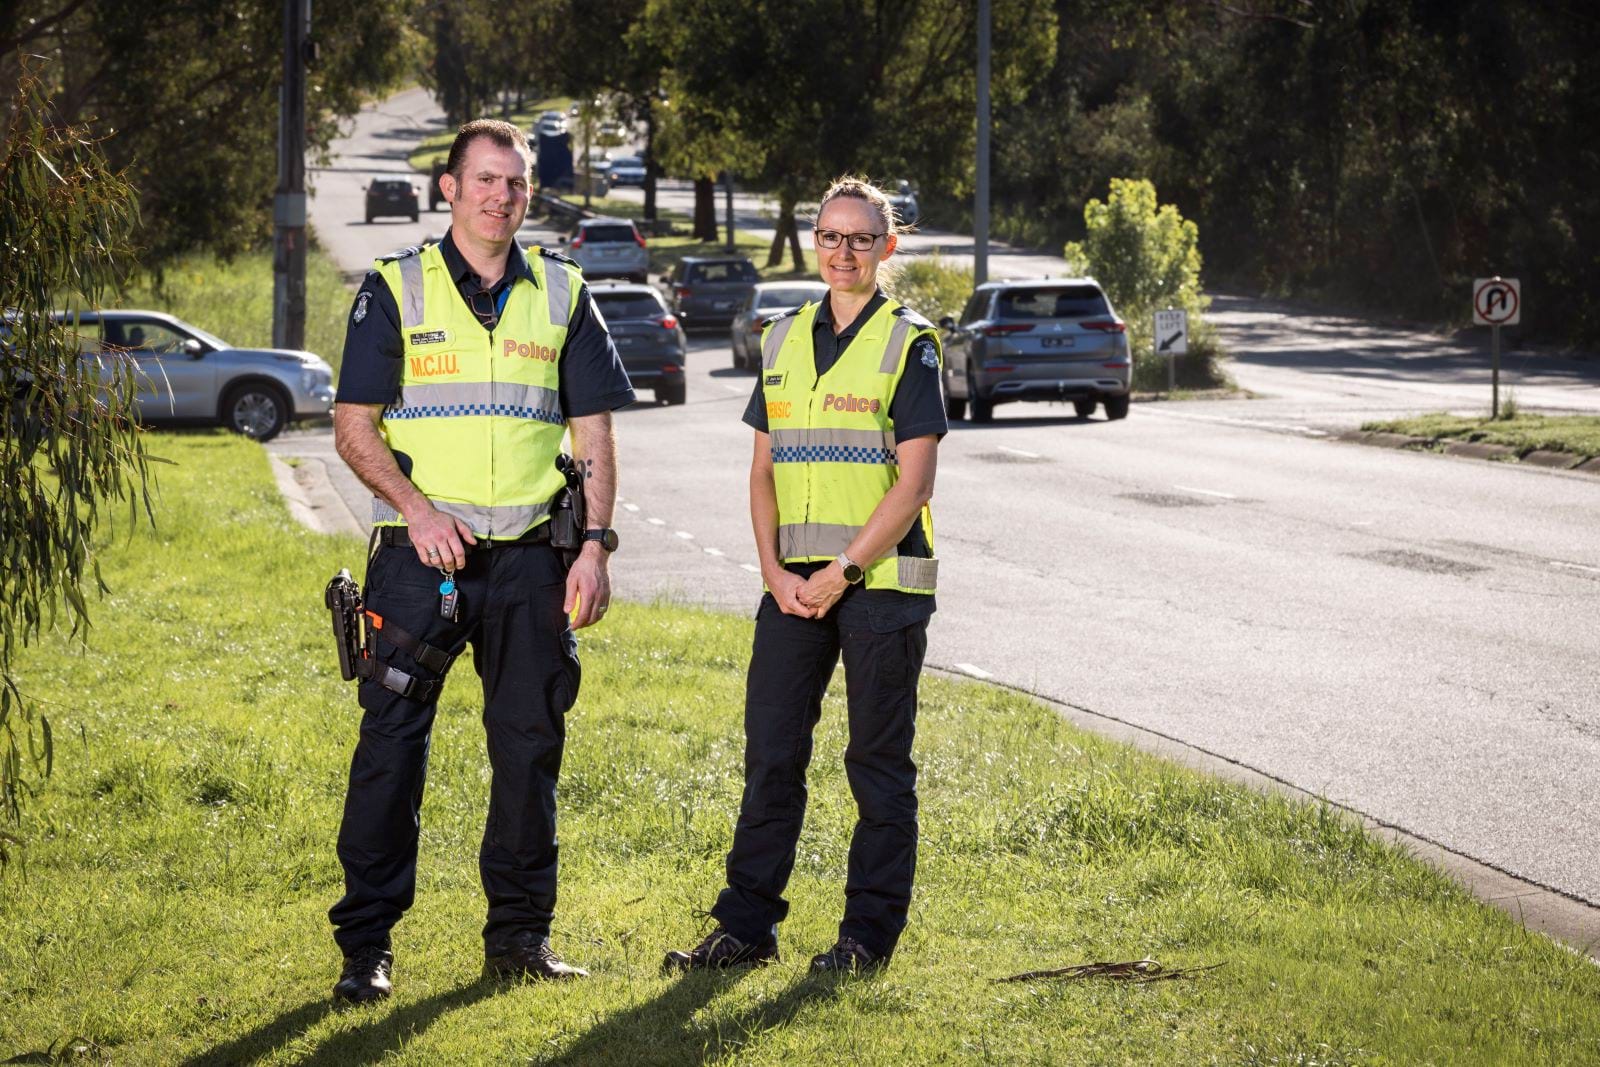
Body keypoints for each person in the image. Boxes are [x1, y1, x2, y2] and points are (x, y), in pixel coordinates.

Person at [327, 118, 635, 1003]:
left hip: (536, 559)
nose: (500, 196)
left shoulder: (564, 292)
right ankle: (366, 947)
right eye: (485, 180)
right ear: (450, 189)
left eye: (515, 183)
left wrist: (594, 548)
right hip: (422, 560)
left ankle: (519, 939)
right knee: (390, 748)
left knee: (530, 747)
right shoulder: (395, 290)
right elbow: (353, 427)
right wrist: (417, 511)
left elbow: (595, 433)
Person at [664, 177, 946, 976]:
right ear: (814, 242)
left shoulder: (908, 341)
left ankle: (866, 939)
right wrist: (773, 570)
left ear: (887, 247)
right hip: (789, 588)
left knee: (877, 766)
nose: (844, 251)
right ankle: (746, 929)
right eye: (831, 236)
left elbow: (914, 481)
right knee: (772, 756)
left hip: (882, 587)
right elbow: (762, 472)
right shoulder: (783, 336)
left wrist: (843, 571)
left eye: (861, 238)